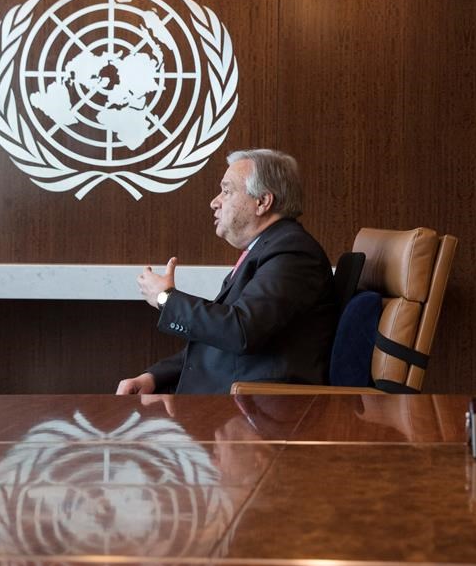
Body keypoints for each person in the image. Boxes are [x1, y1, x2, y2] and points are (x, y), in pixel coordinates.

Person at [116, 149, 338, 395]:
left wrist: (165, 298)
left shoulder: (292, 253)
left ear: (263, 201)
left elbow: (240, 331)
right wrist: (154, 377)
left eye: (227, 191)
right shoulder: (266, 249)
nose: (215, 201)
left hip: (262, 412)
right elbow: (217, 345)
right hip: (235, 405)